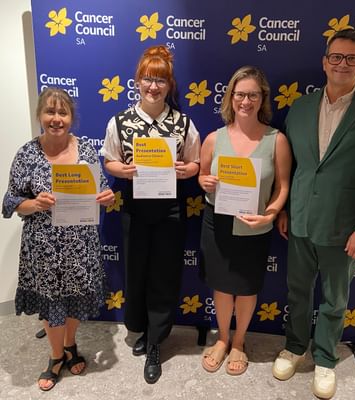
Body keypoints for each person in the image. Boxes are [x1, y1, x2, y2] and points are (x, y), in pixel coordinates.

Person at [272, 29, 355, 399]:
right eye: (337, 57)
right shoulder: (301, 107)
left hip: (345, 228)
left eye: (352, 58)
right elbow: (292, 167)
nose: (343, 64)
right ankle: (295, 348)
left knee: (334, 299)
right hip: (299, 221)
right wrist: (285, 210)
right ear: (325, 61)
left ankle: (325, 358)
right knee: (297, 292)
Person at [2, 87, 115, 391]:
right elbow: (10, 202)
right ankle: (55, 358)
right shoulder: (27, 153)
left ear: (71, 117)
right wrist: (35, 203)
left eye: (62, 112)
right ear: (40, 115)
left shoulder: (87, 150)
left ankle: (70, 344)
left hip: (81, 243)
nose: (56, 119)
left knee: (76, 299)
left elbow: (104, 193)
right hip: (43, 246)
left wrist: (107, 198)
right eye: (50, 112)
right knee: (52, 304)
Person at [101, 45, 201, 384]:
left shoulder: (182, 122)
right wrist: (125, 172)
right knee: (136, 270)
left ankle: (157, 340)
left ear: (169, 84)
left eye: (159, 80)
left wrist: (185, 170)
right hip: (134, 208)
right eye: (147, 79)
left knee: (164, 272)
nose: (153, 87)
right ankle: (139, 328)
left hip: (170, 210)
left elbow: (196, 164)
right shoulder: (121, 121)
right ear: (137, 82)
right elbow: (109, 160)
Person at [198, 66, 292, 375]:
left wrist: (271, 212)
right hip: (218, 222)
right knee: (223, 286)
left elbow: (283, 187)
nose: (246, 101)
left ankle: (239, 342)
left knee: (247, 286)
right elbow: (202, 176)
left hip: (256, 223)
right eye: (240, 94)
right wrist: (205, 182)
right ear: (231, 97)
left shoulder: (276, 140)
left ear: (262, 98)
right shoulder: (214, 138)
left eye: (253, 94)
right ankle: (222, 339)